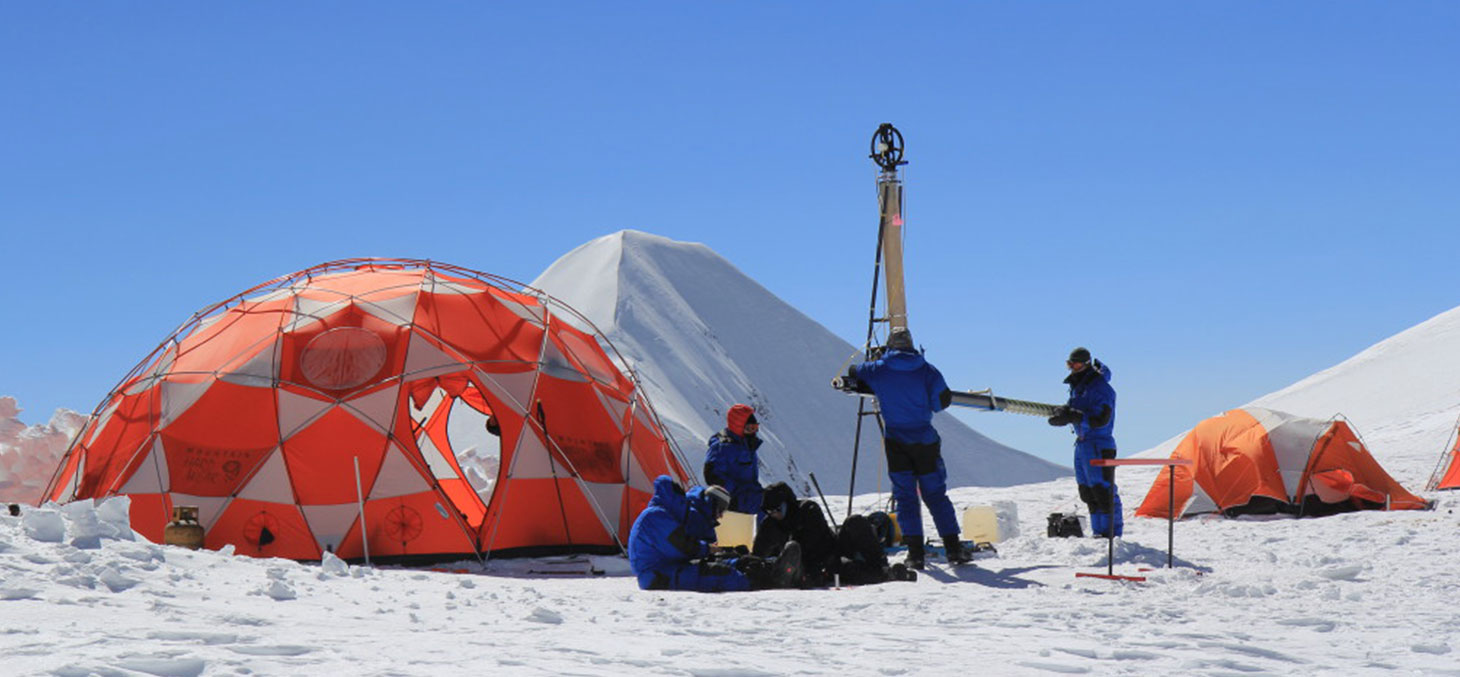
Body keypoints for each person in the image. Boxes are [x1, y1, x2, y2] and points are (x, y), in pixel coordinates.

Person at [847, 327, 964, 569]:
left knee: (905, 496)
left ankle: (915, 553)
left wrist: (877, 362)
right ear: (912, 346)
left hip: (896, 443)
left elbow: (854, 371)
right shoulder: (927, 371)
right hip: (925, 440)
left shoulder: (879, 369)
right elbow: (942, 402)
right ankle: (953, 549)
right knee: (935, 494)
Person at [627, 475, 801, 592]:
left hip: (672, 566)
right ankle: (770, 581)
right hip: (657, 575)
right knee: (721, 573)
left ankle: (776, 568)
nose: (721, 515)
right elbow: (683, 547)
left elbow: (696, 546)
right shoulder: (656, 517)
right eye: (720, 509)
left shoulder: (675, 516)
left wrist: (729, 553)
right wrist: (710, 550)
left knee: (740, 562)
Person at [753, 482, 914, 586]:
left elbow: (815, 545)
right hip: (805, 569)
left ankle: (883, 568)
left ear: (787, 503)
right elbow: (759, 552)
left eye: (777, 510)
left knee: (855, 522)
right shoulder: (770, 524)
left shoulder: (808, 510)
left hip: (830, 555)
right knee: (849, 570)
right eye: (769, 512)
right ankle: (885, 575)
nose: (774, 514)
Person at [1047, 347, 1123, 538]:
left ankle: (1112, 536)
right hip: (1082, 443)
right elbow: (1076, 410)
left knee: (1102, 489)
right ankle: (1099, 533)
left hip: (1099, 442)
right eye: (1069, 364)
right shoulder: (1079, 387)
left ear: (1086, 364)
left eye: (1076, 364)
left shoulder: (1100, 387)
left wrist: (1076, 416)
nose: (1072, 368)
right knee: (1087, 491)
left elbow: (1101, 418)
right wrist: (1064, 414)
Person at [703, 404, 765, 516]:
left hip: (751, 498)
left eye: (755, 428)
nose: (754, 432)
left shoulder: (747, 445)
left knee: (779, 497)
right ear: (739, 426)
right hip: (736, 502)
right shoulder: (722, 448)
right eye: (750, 428)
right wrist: (735, 497)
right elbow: (712, 476)